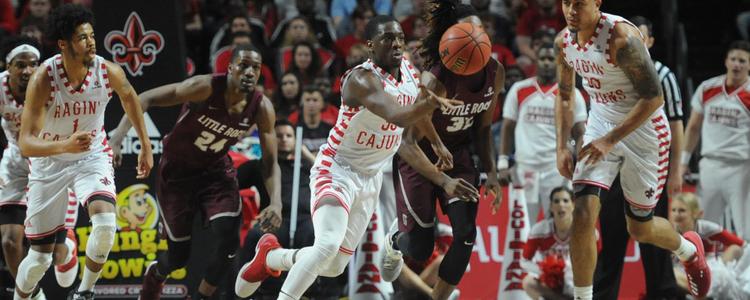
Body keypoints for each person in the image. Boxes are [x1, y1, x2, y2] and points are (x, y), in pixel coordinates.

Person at [234, 15, 471, 300]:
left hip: (369, 179)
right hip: (337, 170)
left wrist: (435, 142)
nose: (396, 43)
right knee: (326, 246)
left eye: (399, 37)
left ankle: (271, 258)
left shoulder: (408, 69)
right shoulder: (361, 80)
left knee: (333, 266)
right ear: (371, 45)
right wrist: (430, 102)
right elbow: (397, 115)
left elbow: (408, 126)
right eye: (387, 38)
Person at [554, 0, 710, 298]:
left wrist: (610, 139)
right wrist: (561, 145)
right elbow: (564, 97)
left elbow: (654, 98)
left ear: (597, 3)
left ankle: (689, 250)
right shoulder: (563, 42)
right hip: (600, 122)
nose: (572, 10)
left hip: (645, 131)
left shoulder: (621, 38)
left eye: (580, 3)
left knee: (640, 229)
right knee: (584, 212)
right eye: (566, 3)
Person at [108, 44, 282, 300]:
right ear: (230, 67)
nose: (249, 72)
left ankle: (201, 297)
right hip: (177, 173)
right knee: (178, 257)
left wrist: (276, 203)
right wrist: (117, 138)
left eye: (255, 68)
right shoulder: (205, 87)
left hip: (215, 171)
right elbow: (145, 98)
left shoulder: (261, 107)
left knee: (228, 239)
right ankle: (156, 275)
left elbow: (269, 162)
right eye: (243, 65)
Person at [15, 4, 153, 300]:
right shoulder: (44, 79)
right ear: (64, 44)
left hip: (91, 156)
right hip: (48, 162)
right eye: (82, 37)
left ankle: (85, 292)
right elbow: (26, 143)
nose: (91, 42)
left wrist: (145, 145)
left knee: (105, 225)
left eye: (92, 36)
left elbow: (131, 98)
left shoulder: (108, 71)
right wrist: (64, 145)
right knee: (40, 259)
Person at [382, 2, 503, 299]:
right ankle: (396, 241)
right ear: (453, 36)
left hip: (458, 156)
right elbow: (406, 141)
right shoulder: (434, 78)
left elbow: (484, 129)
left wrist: (492, 173)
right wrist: (441, 174)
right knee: (421, 248)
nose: (477, 36)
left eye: (481, 30)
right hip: (420, 158)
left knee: (465, 235)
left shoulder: (495, 72)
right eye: (469, 31)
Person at [593, 15, 686, 299]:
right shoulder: (607, 71)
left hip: (650, 163)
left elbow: (676, 124)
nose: (636, 43)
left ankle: (664, 292)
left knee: (652, 240)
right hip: (615, 166)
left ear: (651, 42)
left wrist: (675, 170)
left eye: (641, 38)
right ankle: (603, 295)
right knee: (611, 239)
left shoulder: (664, 75)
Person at [0, 36, 79, 299]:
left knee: (55, 256)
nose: (27, 71)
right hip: (17, 163)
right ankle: (32, 295)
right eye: (20, 65)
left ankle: (69, 245)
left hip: (49, 162)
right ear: (7, 67)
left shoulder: (52, 87)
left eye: (33, 64)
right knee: (10, 242)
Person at [499, 42, 587, 222]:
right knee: (524, 226)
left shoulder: (572, 94)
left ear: (558, 61)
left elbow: (580, 132)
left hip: (557, 169)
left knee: (558, 224)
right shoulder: (519, 89)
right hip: (525, 168)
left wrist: (581, 166)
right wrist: (502, 163)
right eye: (542, 58)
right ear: (536, 61)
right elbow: (507, 127)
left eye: (551, 58)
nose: (546, 63)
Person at [682, 40, 750, 238]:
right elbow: (693, 127)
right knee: (700, 227)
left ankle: (744, 270)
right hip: (710, 166)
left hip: (742, 167)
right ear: (726, 61)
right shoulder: (707, 88)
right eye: (734, 59)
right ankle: (704, 268)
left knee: (746, 231)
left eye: (742, 61)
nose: (737, 64)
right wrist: (683, 162)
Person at [522, 186, 599, 300]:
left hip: (578, 278)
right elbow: (524, 261)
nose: (561, 205)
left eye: (565, 200)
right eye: (556, 201)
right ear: (551, 207)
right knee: (528, 282)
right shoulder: (539, 230)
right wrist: (544, 270)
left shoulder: (586, 231)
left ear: (573, 205)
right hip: (551, 281)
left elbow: (596, 261)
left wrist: (568, 269)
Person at [669, 192, 749, 299]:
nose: (676, 214)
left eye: (682, 210)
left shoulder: (707, 228)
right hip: (684, 274)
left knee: (731, 255)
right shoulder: (669, 233)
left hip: (709, 270)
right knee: (671, 273)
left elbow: (744, 246)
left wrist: (735, 272)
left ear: (696, 213)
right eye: (673, 210)